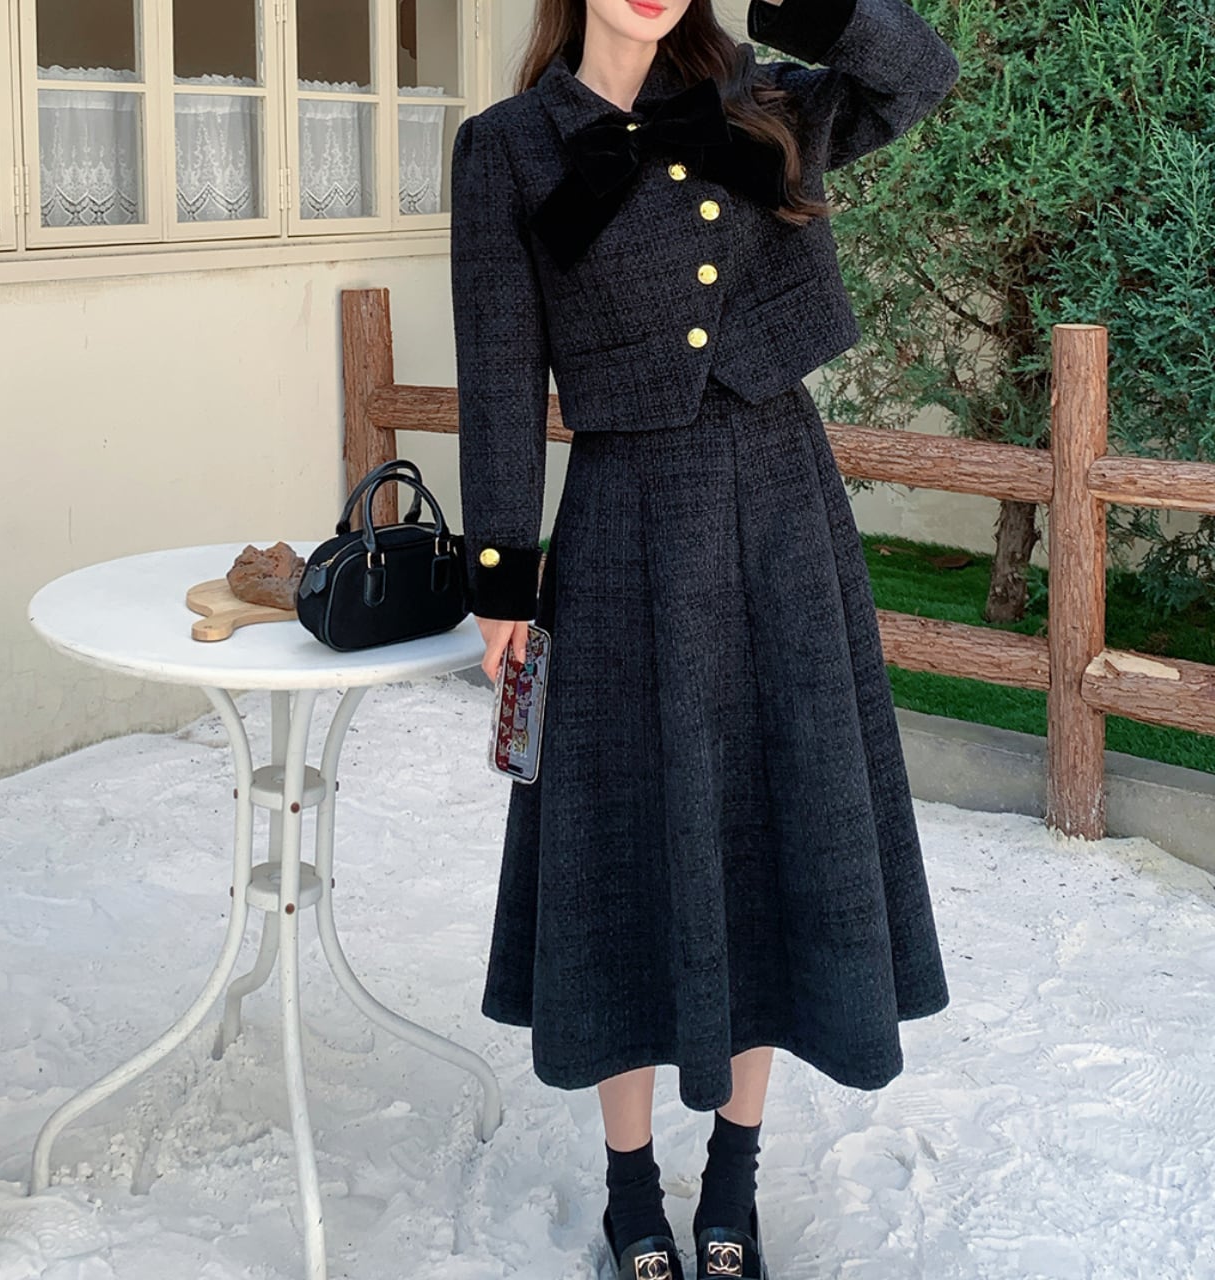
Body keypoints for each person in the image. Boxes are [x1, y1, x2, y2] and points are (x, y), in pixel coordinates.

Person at [449, 0, 959, 1275]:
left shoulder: (762, 99)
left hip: (782, 505)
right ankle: (630, 1188)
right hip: (621, 518)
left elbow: (917, 71)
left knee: (767, 827)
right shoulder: (508, 146)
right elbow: (499, 372)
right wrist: (501, 577)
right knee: (620, 838)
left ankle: (732, 1179)